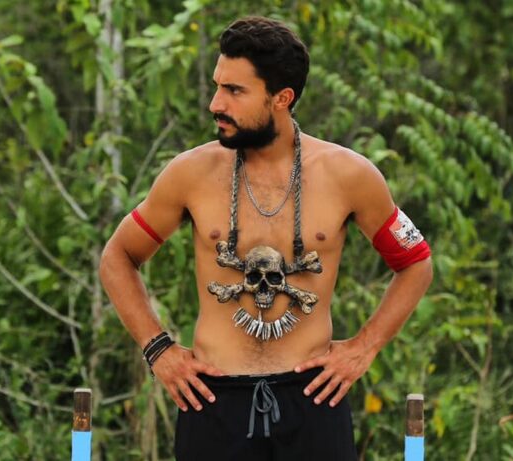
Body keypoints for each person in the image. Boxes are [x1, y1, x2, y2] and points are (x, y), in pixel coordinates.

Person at [99, 16, 433, 461]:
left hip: (314, 401)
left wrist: (363, 347)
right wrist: (158, 349)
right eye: (217, 87)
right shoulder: (190, 173)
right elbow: (118, 256)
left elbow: (415, 262)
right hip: (212, 401)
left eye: (234, 91)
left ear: (282, 98)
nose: (216, 104)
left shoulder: (348, 175)